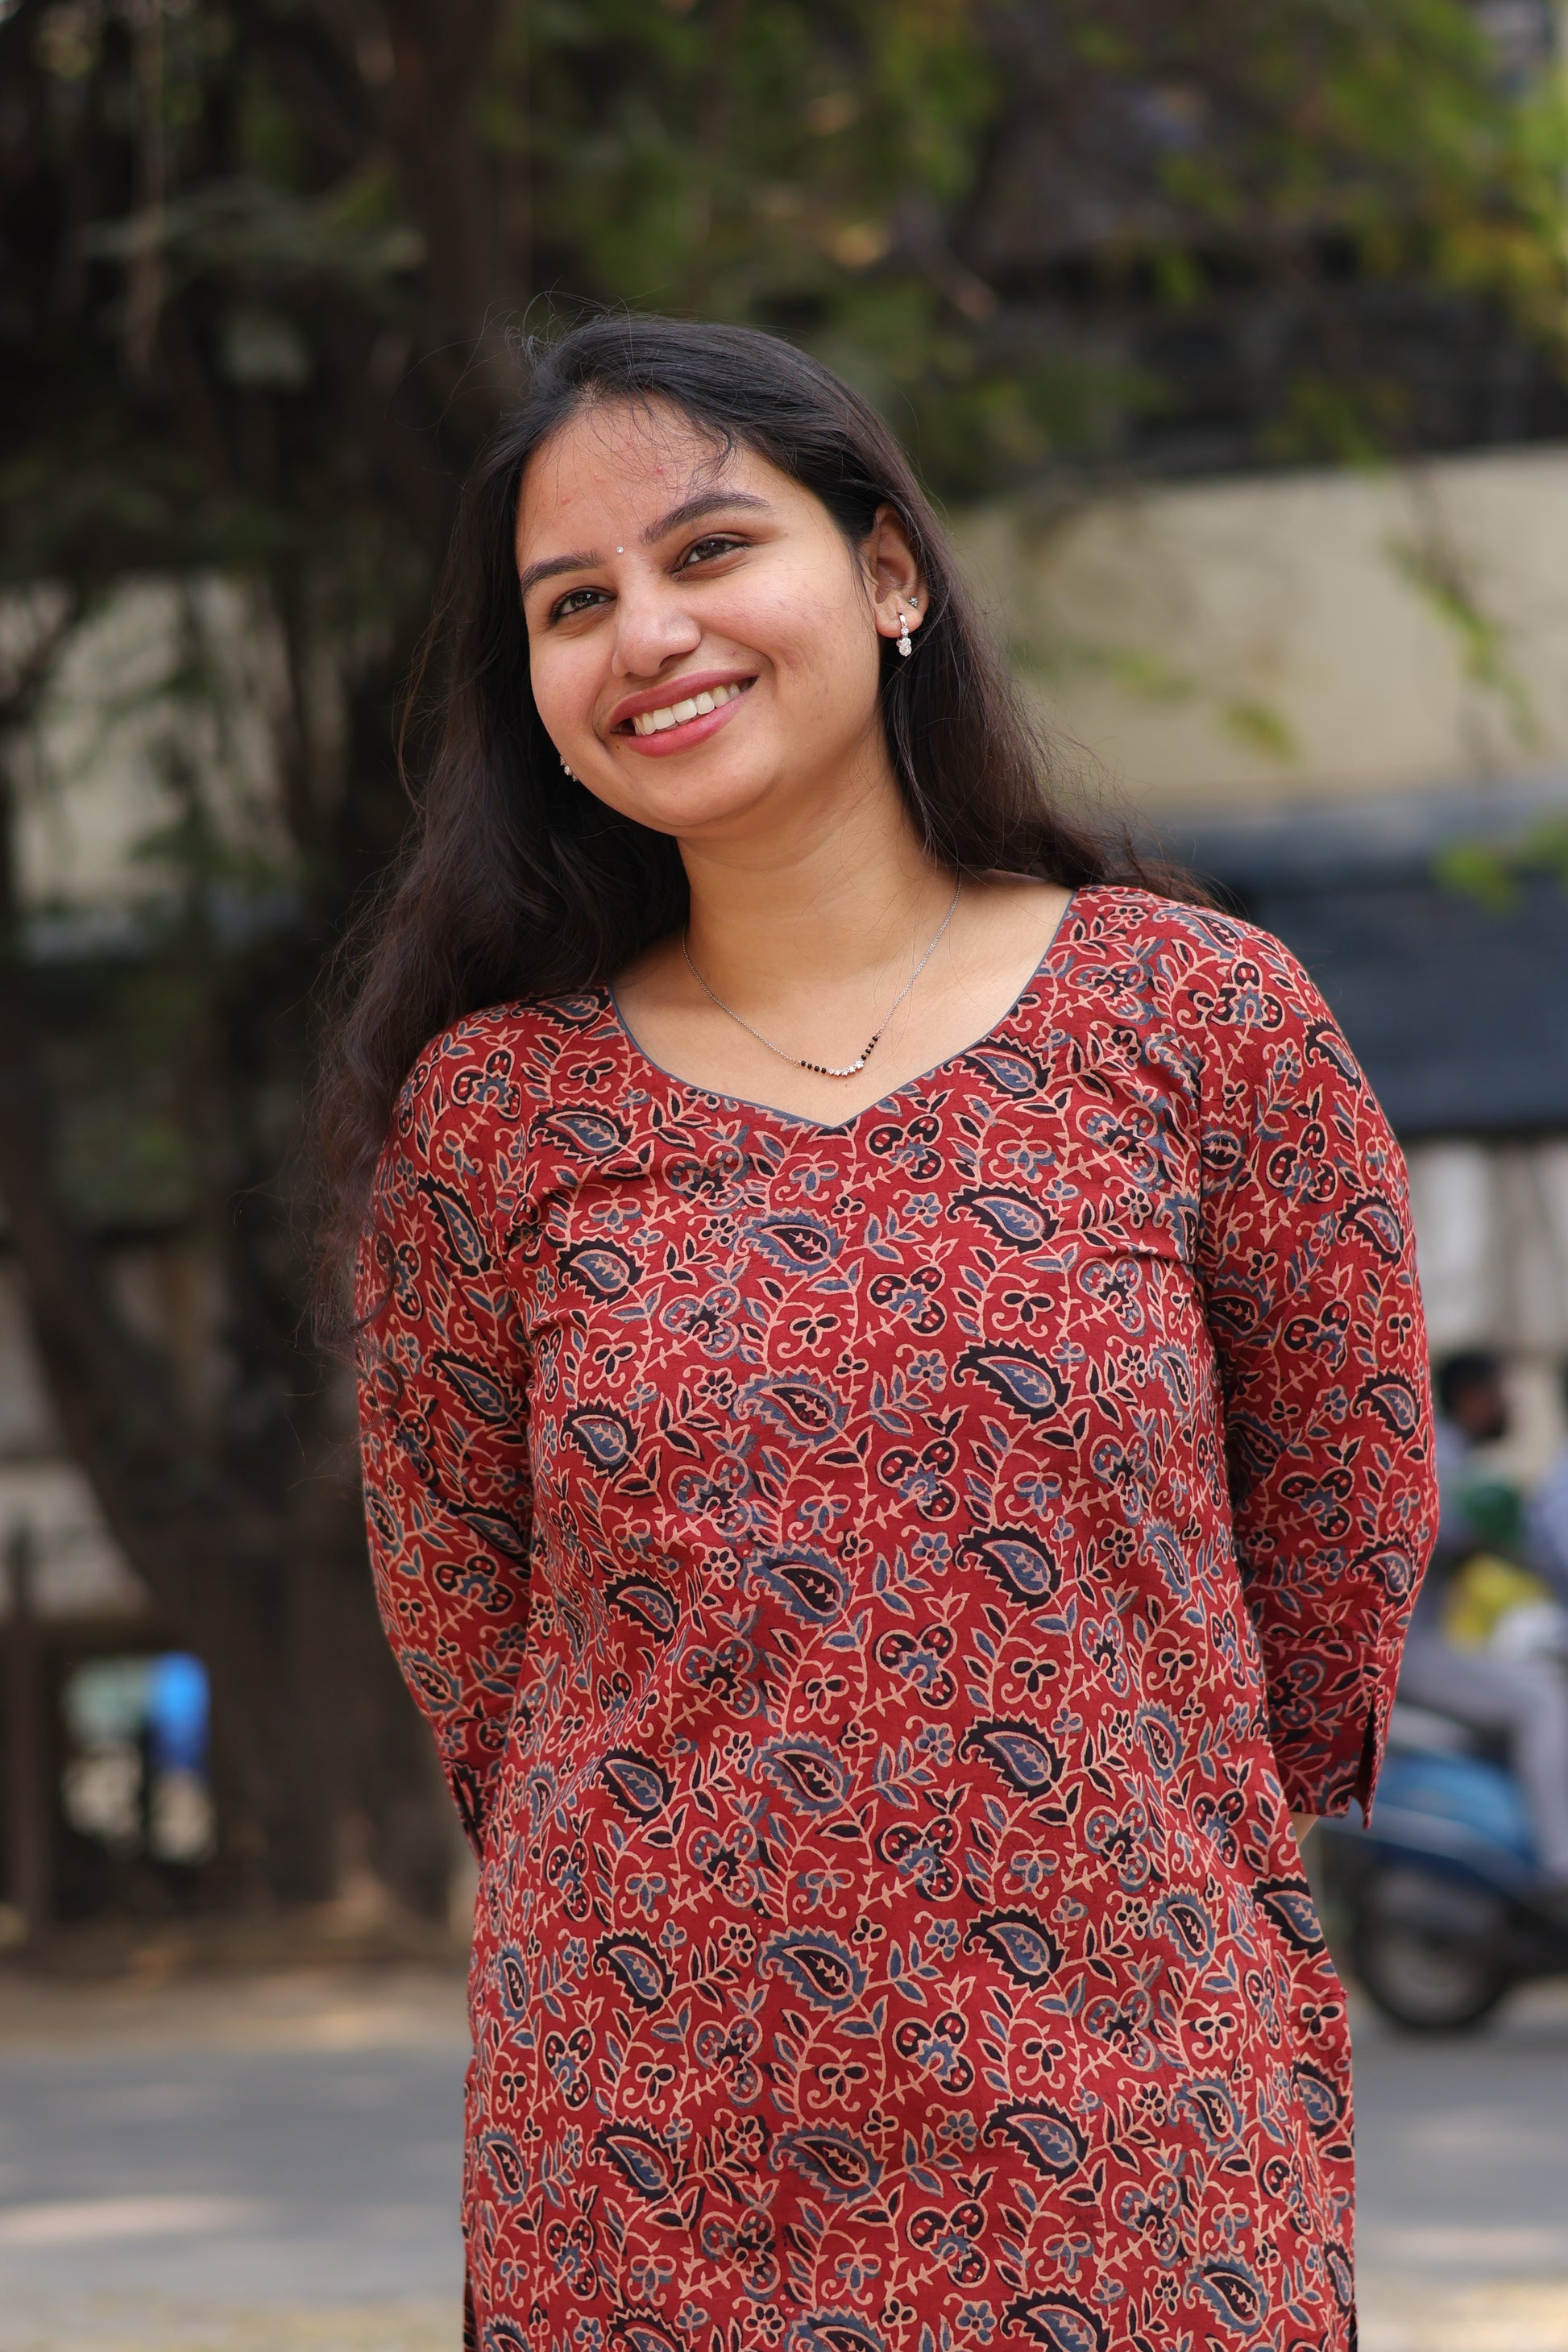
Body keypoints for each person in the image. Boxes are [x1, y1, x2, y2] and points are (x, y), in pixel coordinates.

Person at [317, 317, 1437, 2352]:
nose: (648, 633)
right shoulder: (492, 1124)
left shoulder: (1197, 1020)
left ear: (888, 571)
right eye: (573, 604)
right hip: (647, 2165)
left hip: (1137, 2142)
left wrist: (1096, 1842)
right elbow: (477, 1645)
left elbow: (1338, 1537)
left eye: (708, 550)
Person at [1399, 1352, 1568, 1894]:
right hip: (1408, 1652)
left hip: (1423, 1643)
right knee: (1543, 1702)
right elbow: (1527, 1548)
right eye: (1499, 1392)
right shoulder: (1447, 1466)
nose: (1509, 1405)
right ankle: (1559, 1864)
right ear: (1472, 1398)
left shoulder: (1450, 1459)